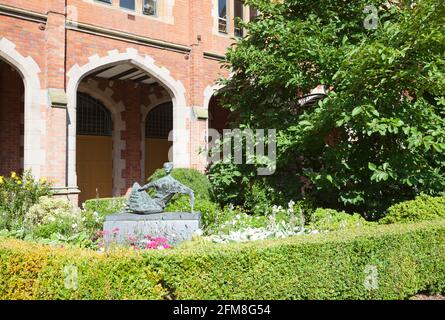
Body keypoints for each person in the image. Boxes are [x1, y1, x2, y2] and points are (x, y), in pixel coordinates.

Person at [126, 163, 195, 214]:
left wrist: (140, 189)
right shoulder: (174, 183)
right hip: (156, 205)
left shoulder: (166, 182)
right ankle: (133, 207)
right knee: (146, 210)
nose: (166, 169)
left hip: (154, 204)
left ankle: (132, 207)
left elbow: (146, 186)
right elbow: (190, 192)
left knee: (143, 209)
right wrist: (191, 210)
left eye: (166, 168)